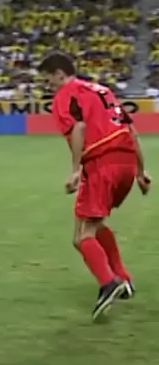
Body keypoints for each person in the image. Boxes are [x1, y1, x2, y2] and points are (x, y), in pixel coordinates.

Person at [39, 52, 151, 321]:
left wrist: (76, 169)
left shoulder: (66, 95)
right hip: (125, 162)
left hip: (101, 163)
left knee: (83, 236)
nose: (48, 85)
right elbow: (131, 130)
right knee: (91, 226)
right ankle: (122, 277)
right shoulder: (103, 91)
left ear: (59, 74)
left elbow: (78, 128)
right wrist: (140, 171)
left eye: (48, 79)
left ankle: (108, 284)